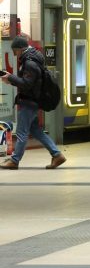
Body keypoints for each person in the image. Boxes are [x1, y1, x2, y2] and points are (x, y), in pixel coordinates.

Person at [0, 37, 66, 170]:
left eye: (15, 51)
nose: (14, 54)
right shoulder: (32, 59)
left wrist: (11, 78)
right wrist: (11, 79)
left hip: (29, 101)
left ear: (20, 49)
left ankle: (14, 160)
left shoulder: (29, 63)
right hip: (32, 100)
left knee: (21, 132)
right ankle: (57, 155)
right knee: (36, 131)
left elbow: (27, 84)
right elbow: (28, 81)